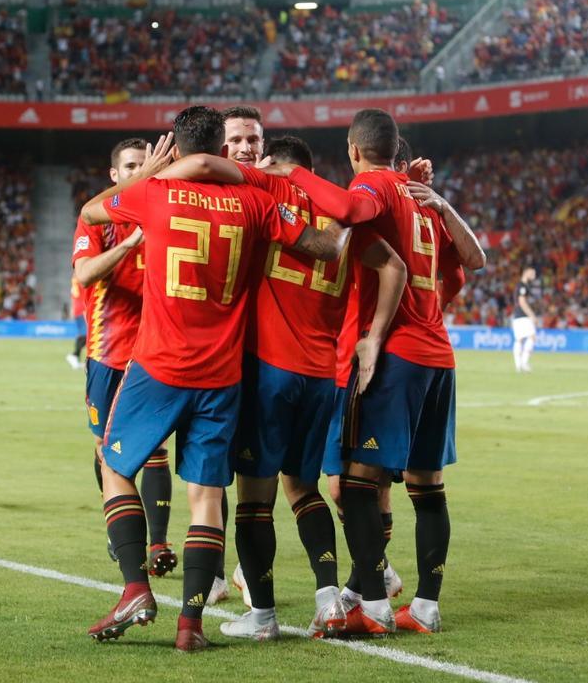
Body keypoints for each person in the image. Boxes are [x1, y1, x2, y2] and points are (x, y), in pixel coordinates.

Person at [79, 107, 345, 652]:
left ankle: (135, 588)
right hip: (224, 374)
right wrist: (343, 220)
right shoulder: (256, 202)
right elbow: (323, 246)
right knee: (206, 498)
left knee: (113, 464)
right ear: (223, 151)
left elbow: (91, 211)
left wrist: (147, 172)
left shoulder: (154, 193)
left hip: (160, 364)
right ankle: (191, 625)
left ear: (176, 150)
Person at [157, 135, 408, 640]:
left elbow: (209, 181)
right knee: (304, 489)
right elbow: (394, 266)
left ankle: (264, 616)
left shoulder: (265, 198)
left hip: (268, 370)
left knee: (254, 499)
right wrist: (374, 337)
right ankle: (328, 599)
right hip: (320, 378)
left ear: (278, 166)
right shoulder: (342, 215)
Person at [262, 108, 486, 635]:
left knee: (358, 485)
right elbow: (468, 265)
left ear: (354, 149)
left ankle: (374, 605)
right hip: (437, 355)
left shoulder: (375, 187)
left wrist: (291, 173)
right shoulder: (421, 200)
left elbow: (346, 207)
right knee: (426, 487)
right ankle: (425, 607)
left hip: (396, 357)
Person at [73, 137, 175, 578]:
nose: (141, 172)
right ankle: (119, 527)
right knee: (105, 450)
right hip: (107, 352)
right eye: (132, 166)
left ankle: (158, 543)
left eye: (147, 165)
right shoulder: (97, 219)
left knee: (155, 449)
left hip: (154, 352)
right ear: (115, 175)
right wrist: (129, 244)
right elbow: (84, 274)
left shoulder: (165, 211)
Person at [511, 267, 538, 372]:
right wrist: (532, 315)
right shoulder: (523, 286)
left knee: (519, 339)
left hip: (517, 316)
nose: (534, 276)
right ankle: (524, 363)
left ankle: (519, 365)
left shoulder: (520, 285)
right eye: (532, 273)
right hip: (523, 316)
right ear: (526, 273)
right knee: (532, 337)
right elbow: (522, 302)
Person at [65, 275, 86, 369]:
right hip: (82, 309)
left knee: (84, 334)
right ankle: (74, 355)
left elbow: (74, 295)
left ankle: (75, 357)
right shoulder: (82, 277)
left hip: (78, 308)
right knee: (86, 334)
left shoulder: (75, 279)